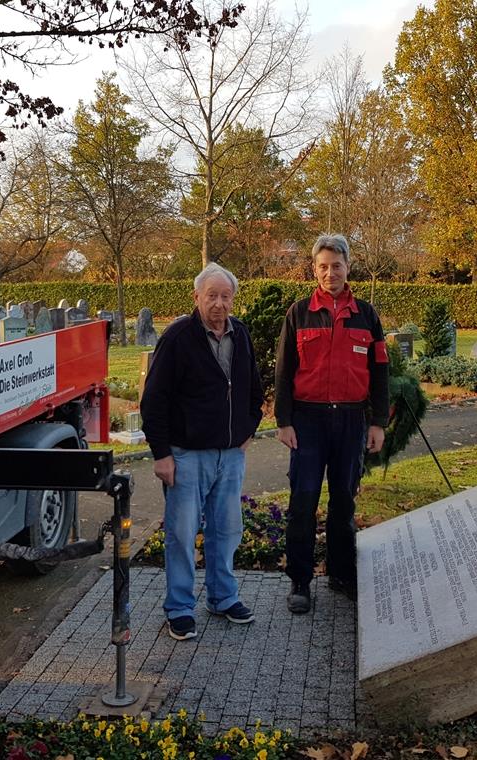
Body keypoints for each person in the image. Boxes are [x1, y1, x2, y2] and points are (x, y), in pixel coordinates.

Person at [140, 262, 265, 641]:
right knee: (181, 533)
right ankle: (179, 608)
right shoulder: (178, 337)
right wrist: (161, 454)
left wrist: (247, 430)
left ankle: (222, 598)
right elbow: (154, 400)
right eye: (211, 295)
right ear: (196, 297)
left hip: (230, 456)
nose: (219, 303)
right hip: (186, 456)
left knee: (226, 531)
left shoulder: (240, 334)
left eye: (225, 296)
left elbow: (254, 391)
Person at [274, 234, 389, 614]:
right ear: (314, 269)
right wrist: (284, 421)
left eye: (336, 265)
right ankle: (300, 582)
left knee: (344, 502)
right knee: (302, 501)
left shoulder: (367, 316)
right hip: (307, 422)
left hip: (351, 421)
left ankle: (341, 575)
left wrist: (377, 422)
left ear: (347, 267)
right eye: (322, 266)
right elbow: (284, 370)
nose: (330, 273)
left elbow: (380, 373)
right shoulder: (299, 312)